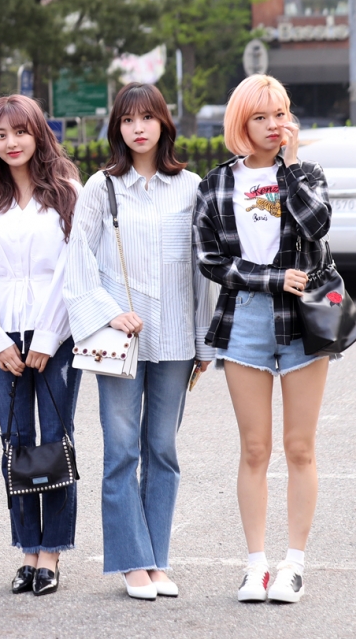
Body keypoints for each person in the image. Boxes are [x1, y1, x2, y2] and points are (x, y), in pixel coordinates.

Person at [63, 83, 216, 600]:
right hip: (118, 341)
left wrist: (204, 344)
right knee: (122, 452)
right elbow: (78, 263)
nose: (138, 128)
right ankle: (133, 561)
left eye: (147, 117)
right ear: (118, 129)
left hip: (175, 340)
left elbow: (201, 273)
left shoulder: (191, 187)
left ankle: (158, 559)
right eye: (128, 120)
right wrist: (110, 313)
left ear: (163, 123)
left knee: (163, 451)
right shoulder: (100, 187)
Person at [195, 75, 331, 604]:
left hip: (304, 320)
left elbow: (317, 227)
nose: (275, 125)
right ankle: (256, 566)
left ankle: (294, 564)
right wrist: (270, 278)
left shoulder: (307, 175)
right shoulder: (217, 184)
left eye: (281, 113)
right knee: (254, 449)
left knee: (300, 447)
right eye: (261, 116)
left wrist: (289, 168)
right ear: (241, 123)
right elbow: (211, 260)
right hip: (246, 318)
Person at [0, 94, 81, 597]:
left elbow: (74, 270)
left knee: (56, 438)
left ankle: (52, 552)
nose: (11, 142)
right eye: (1, 134)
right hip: (3, 339)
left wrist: (49, 337)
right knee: (15, 442)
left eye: (20, 131)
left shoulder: (69, 195)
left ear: (38, 134)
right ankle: (28, 550)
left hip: (57, 337)